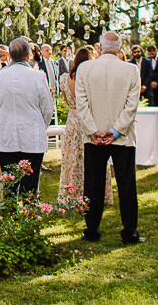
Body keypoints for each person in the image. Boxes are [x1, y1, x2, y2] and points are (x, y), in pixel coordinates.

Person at [76, 31, 143, 245]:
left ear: (100, 47)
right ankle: (130, 232)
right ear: (120, 48)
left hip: (94, 137)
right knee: (126, 184)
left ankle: (92, 229)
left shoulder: (85, 69)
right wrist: (115, 131)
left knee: (93, 184)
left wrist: (93, 130)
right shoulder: (131, 70)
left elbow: (82, 103)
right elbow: (131, 106)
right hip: (122, 138)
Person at [0, 37, 54, 196]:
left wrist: (6, 122)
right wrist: (39, 126)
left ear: (10, 56)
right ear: (28, 55)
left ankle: (10, 218)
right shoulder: (38, 77)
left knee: (9, 188)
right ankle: (29, 216)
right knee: (30, 188)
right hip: (32, 138)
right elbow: (47, 110)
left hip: (7, 138)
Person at [60, 46, 111, 206]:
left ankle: (71, 192)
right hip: (89, 119)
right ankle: (95, 193)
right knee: (92, 157)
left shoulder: (64, 79)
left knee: (72, 158)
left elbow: (67, 101)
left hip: (72, 119)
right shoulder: (91, 78)